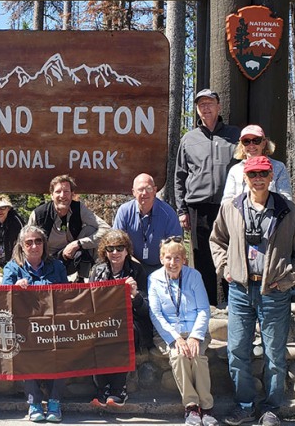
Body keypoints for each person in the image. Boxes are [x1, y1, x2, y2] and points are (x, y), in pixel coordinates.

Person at [210, 156, 295, 426]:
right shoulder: (231, 207)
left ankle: (271, 409)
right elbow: (217, 240)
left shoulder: (287, 209)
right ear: (245, 177)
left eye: (263, 174)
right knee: (237, 351)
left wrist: (289, 278)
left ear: (271, 177)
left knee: (274, 354)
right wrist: (224, 267)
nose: (258, 178)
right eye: (253, 173)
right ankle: (244, 405)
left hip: (274, 291)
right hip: (241, 290)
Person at [173, 88, 241, 307]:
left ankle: (234, 305)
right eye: (201, 104)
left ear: (218, 107)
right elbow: (180, 176)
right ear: (197, 109)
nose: (205, 108)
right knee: (202, 258)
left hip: (229, 206)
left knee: (232, 254)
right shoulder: (189, 139)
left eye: (210, 103)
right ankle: (208, 306)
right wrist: (182, 210)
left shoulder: (234, 136)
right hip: (198, 207)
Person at [2, 225, 68, 423]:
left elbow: (67, 296)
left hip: (53, 324)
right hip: (25, 325)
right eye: (28, 242)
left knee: (63, 350)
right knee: (24, 350)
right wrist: (14, 288)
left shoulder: (57, 266)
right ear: (22, 246)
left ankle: (55, 401)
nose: (34, 246)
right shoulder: (12, 268)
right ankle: (35, 403)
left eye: (38, 241)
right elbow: (1, 297)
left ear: (44, 244)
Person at [148, 236, 216, 426]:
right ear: (161, 258)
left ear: (184, 259)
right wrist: (177, 338)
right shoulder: (153, 279)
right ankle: (192, 408)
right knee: (179, 356)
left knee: (196, 356)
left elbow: (203, 309)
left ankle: (207, 408)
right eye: (168, 258)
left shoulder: (194, 276)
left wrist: (195, 336)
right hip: (168, 334)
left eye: (177, 258)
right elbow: (156, 315)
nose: (173, 262)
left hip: (195, 331)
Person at [87, 229, 151, 409]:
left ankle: (118, 388)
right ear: (104, 251)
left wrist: (135, 294)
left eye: (120, 248)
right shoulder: (97, 271)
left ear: (127, 250)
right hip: (103, 320)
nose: (115, 253)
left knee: (121, 333)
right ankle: (102, 388)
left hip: (132, 321)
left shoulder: (137, 271)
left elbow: (146, 309)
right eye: (110, 248)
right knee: (96, 333)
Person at [27, 174, 109, 280]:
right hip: (48, 259)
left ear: (72, 194)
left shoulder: (79, 208)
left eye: (66, 191)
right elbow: (25, 242)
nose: (62, 195)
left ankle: (91, 276)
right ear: (51, 195)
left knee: (91, 230)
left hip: (73, 255)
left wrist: (78, 243)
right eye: (58, 192)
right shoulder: (39, 214)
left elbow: (106, 229)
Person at [112, 173, 183, 277]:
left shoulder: (168, 213)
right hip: (131, 266)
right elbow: (117, 244)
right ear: (133, 192)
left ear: (155, 190)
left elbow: (176, 247)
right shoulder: (124, 211)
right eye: (140, 189)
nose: (144, 193)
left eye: (149, 189)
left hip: (162, 267)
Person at [221, 125, 292, 203]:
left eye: (256, 140)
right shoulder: (235, 170)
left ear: (264, 143)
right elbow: (226, 200)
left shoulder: (278, 167)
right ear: (241, 145)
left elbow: (286, 198)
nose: (251, 145)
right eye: (246, 141)